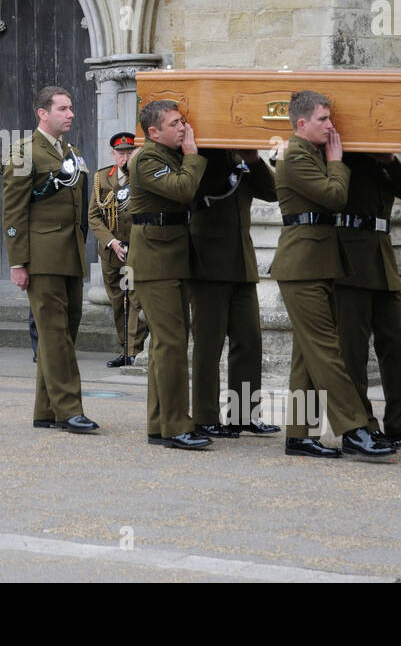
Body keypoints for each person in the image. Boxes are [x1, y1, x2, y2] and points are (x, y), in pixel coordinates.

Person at [271, 90, 395, 460]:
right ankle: (355, 430)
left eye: (331, 118)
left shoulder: (310, 154)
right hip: (302, 265)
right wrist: (338, 161)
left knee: (307, 354)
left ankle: (299, 435)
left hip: (319, 262)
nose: (331, 125)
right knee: (327, 350)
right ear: (301, 123)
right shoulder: (295, 156)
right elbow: (335, 196)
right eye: (323, 120)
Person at [2, 86, 98, 433]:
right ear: (42, 113)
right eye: (62, 108)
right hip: (41, 257)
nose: (70, 113)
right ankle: (69, 409)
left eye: (71, 107)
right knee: (55, 335)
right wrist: (17, 263)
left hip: (69, 254)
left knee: (62, 333)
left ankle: (45, 410)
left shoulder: (71, 151)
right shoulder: (24, 153)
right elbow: (13, 212)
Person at [335, 151, 401, 448]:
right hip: (349, 254)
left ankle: (400, 420)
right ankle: (359, 424)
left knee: (398, 341)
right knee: (352, 348)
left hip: (381, 253)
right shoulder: (340, 154)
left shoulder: (382, 158)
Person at [129, 100, 210, 450]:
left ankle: (161, 423)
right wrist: (193, 155)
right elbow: (182, 190)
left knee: (167, 345)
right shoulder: (147, 159)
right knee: (172, 343)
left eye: (183, 122)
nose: (183, 128)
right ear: (153, 132)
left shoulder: (170, 156)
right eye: (175, 123)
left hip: (173, 256)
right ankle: (176, 426)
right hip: (154, 260)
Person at [189, 145, 280, 437]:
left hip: (242, 262)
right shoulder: (203, 156)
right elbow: (197, 190)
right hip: (208, 264)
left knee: (249, 340)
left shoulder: (241, 157)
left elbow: (272, 191)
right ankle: (205, 416)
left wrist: (253, 159)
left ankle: (244, 414)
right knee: (209, 344)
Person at [87, 131, 148, 368]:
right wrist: (111, 242)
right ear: (113, 154)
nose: (125, 156)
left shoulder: (142, 177)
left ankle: (134, 351)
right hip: (112, 253)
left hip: (136, 250)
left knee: (134, 300)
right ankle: (124, 349)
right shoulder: (102, 178)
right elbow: (93, 216)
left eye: (129, 151)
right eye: (121, 152)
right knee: (116, 301)